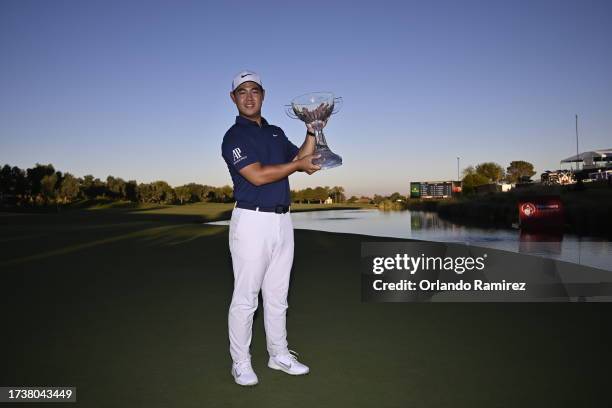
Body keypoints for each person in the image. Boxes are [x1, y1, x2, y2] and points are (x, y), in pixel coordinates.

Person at [221, 70, 321, 386]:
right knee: (246, 299)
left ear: (263, 95)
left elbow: (304, 159)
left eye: (255, 90)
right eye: (242, 92)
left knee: (278, 297)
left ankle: (278, 355)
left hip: (282, 221)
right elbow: (259, 175)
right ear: (233, 98)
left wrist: (312, 128)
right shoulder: (233, 136)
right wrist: (297, 165)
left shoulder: (276, 132)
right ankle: (240, 363)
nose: (249, 96)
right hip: (251, 221)